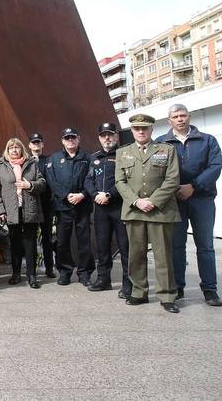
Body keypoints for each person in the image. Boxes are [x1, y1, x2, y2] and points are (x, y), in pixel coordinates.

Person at [156, 104, 222, 306]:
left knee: (205, 246)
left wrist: (193, 186)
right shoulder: (161, 143)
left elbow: (215, 167)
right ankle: (178, 287)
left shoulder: (207, 140)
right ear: (169, 120)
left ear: (189, 117)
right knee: (176, 246)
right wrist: (171, 190)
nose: (180, 119)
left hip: (202, 199)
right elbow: (156, 172)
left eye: (183, 115)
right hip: (174, 201)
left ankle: (210, 289)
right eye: (175, 116)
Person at [116, 114, 180, 314]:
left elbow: (173, 179)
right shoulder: (123, 152)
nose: (141, 131)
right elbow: (120, 182)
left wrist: (153, 201)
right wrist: (137, 201)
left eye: (144, 128)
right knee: (136, 255)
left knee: (163, 256)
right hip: (134, 210)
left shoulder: (166, 150)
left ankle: (167, 295)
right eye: (137, 128)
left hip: (159, 211)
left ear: (152, 129)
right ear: (132, 131)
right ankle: (139, 292)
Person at [84, 123, 131, 298]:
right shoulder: (94, 157)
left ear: (116, 137)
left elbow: (127, 180)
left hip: (119, 207)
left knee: (125, 246)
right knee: (102, 247)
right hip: (100, 209)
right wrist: (95, 194)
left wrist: (109, 195)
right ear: (99, 138)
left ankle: (128, 284)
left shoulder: (124, 155)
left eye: (110, 135)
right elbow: (88, 180)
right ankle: (103, 279)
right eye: (104, 135)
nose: (107, 138)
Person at [0, 138, 45, 288]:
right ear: (7, 151)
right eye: (11, 148)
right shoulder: (0, 167)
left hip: (30, 209)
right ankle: (16, 274)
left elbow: (42, 184)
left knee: (30, 245)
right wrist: (0, 211)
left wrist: (29, 185)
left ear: (22, 149)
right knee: (14, 244)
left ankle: (31, 275)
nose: (14, 150)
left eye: (17, 148)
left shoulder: (32, 164)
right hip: (11, 211)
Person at [45, 127, 93, 286]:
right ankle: (65, 272)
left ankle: (84, 273)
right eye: (67, 138)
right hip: (63, 206)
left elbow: (91, 179)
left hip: (83, 205)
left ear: (78, 139)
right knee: (62, 242)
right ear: (62, 141)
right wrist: (66, 195)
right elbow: (52, 181)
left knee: (84, 241)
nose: (70, 140)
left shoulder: (87, 158)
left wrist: (82, 195)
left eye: (73, 137)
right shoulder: (54, 158)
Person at [28, 133, 56, 278]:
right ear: (29, 145)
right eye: (33, 142)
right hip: (31, 204)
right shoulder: (26, 161)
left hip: (46, 204)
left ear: (42, 144)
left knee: (47, 238)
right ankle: (31, 270)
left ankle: (49, 268)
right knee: (31, 238)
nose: (36, 145)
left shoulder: (49, 160)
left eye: (38, 142)